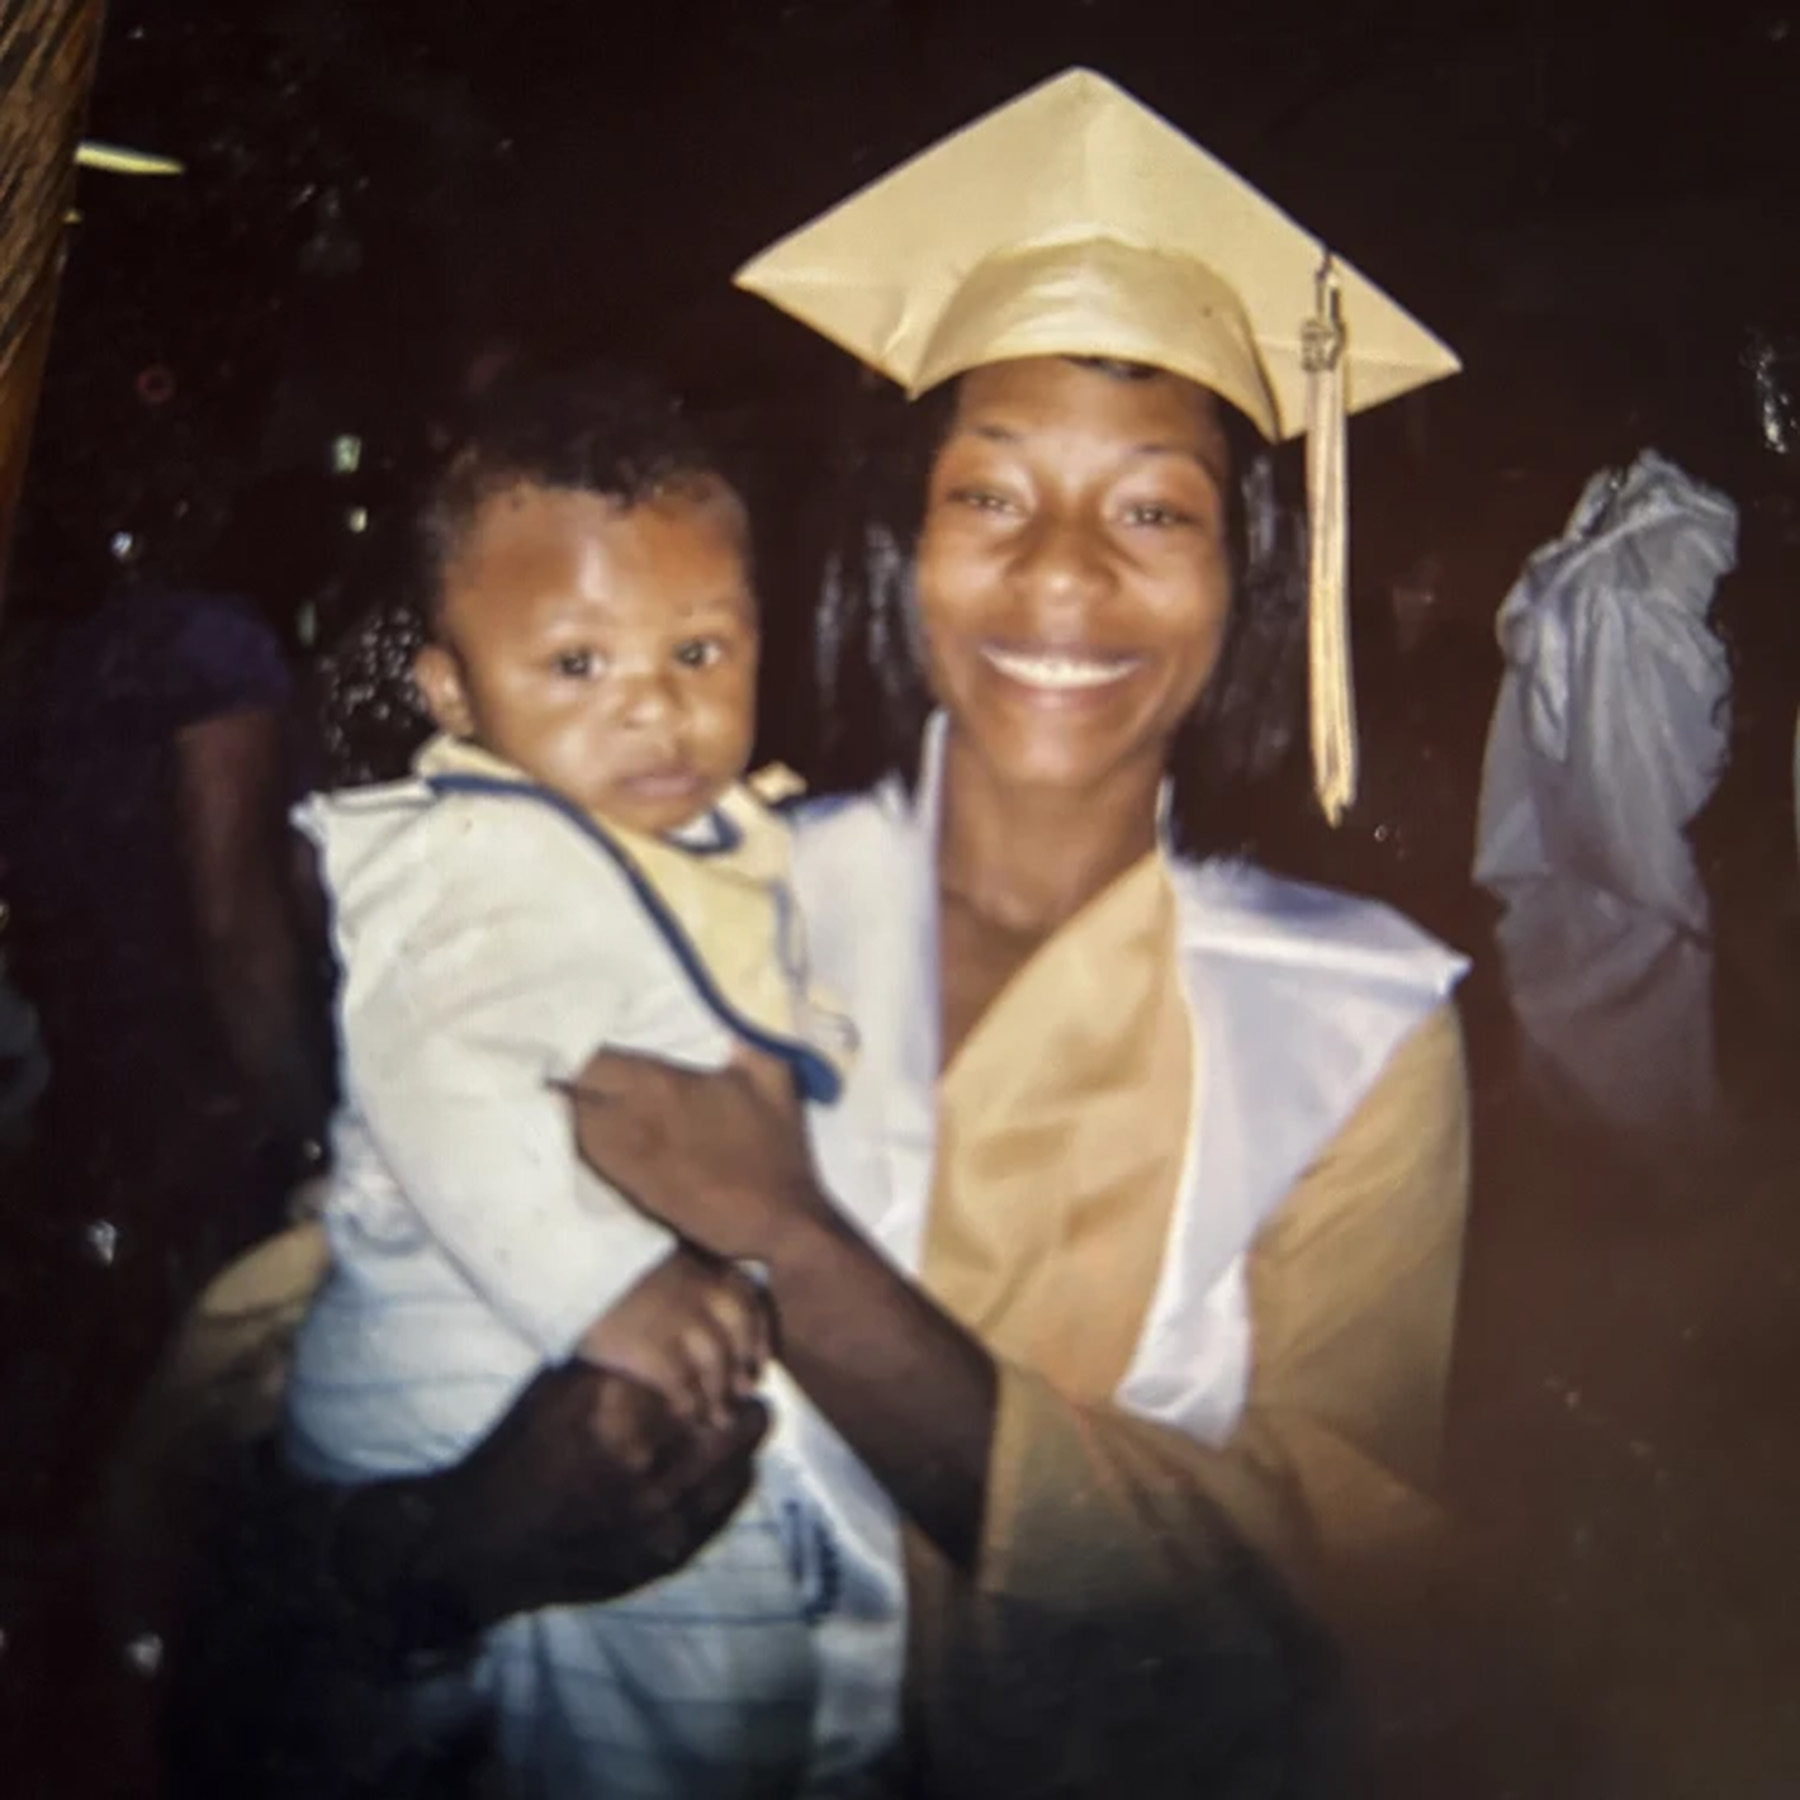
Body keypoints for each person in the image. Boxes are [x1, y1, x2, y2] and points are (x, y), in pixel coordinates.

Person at [158, 68, 1473, 1799]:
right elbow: (239, 1457)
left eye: (1158, 507)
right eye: (988, 495)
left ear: (1252, 576)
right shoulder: (659, 894)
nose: (1063, 572)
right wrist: (462, 1546)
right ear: (899, 547)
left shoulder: (1354, 1029)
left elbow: (1340, 1604)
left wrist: (799, 1248)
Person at [283, 367, 855, 1799]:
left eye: (700, 654)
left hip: (542, 1342)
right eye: (578, 666)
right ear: (450, 691)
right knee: (690, 1713)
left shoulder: (670, 833)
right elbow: (445, 1084)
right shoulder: (479, 851)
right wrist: (609, 1289)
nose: (651, 712)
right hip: (476, 1354)